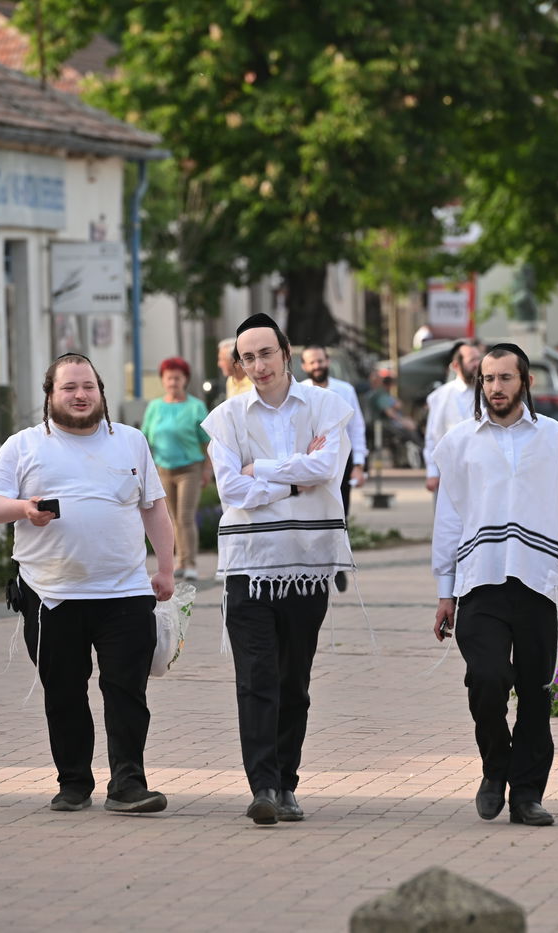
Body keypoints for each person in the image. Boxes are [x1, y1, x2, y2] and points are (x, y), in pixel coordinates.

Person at [0, 354, 175, 815]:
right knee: (63, 691)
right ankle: (74, 783)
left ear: (102, 392)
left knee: (127, 690)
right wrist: (24, 509)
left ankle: (128, 783)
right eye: (69, 388)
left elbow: (154, 509)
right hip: (51, 595)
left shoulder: (130, 441)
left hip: (125, 591)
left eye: (88, 386)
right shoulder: (24, 446)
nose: (80, 396)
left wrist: (166, 567)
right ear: (50, 395)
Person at [431, 343, 558, 827]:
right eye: (487, 379)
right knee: (487, 680)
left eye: (504, 378)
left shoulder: (553, 437)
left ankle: (527, 794)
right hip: (480, 583)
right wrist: (444, 591)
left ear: (525, 382)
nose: (495, 387)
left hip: (539, 583)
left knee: (536, 692)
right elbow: (448, 519)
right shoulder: (460, 442)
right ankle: (496, 769)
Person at [203, 313, 354, 825]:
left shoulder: (327, 407)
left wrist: (261, 470)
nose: (258, 365)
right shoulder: (224, 419)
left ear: (286, 352)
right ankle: (263, 786)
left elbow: (327, 468)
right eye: (248, 357)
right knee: (255, 676)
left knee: (294, 680)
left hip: (307, 562)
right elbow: (231, 491)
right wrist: (293, 481)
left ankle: (287, 781)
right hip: (248, 564)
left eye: (266, 353)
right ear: (238, 363)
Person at [141, 357, 211, 582]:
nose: (173, 382)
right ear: (163, 380)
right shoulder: (155, 407)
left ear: (185, 380)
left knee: (185, 517)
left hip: (190, 468)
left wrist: (207, 470)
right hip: (163, 469)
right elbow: (145, 440)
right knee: (171, 518)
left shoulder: (195, 406)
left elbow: (207, 441)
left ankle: (190, 563)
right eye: (169, 378)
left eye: (177, 378)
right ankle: (178, 561)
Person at [299, 346, 367, 514]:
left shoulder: (345, 390)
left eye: (320, 361)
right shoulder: (298, 392)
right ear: (304, 366)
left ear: (328, 362)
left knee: (341, 511)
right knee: (310, 512)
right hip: (307, 459)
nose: (317, 366)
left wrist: (358, 465)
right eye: (312, 362)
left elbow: (356, 427)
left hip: (341, 459)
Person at [423, 340, 483, 493]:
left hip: (482, 472)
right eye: (472, 360)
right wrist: (432, 472)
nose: (478, 364)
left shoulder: (489, 394)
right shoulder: (440, 396)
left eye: (479, 359)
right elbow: (433, 436)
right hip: (449, 472)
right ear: (456, 366)